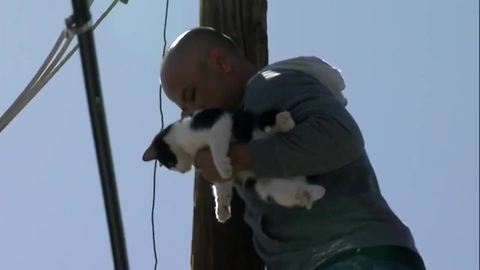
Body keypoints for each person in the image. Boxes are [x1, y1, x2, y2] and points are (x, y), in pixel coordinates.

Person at [160, 27, 426, 270]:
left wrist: (237, 158)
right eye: (182, 109)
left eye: (191, 96)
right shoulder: (243, 122)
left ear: (220, 62)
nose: (189, 114)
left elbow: (340, 137)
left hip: (355, 256)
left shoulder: (270, 84)